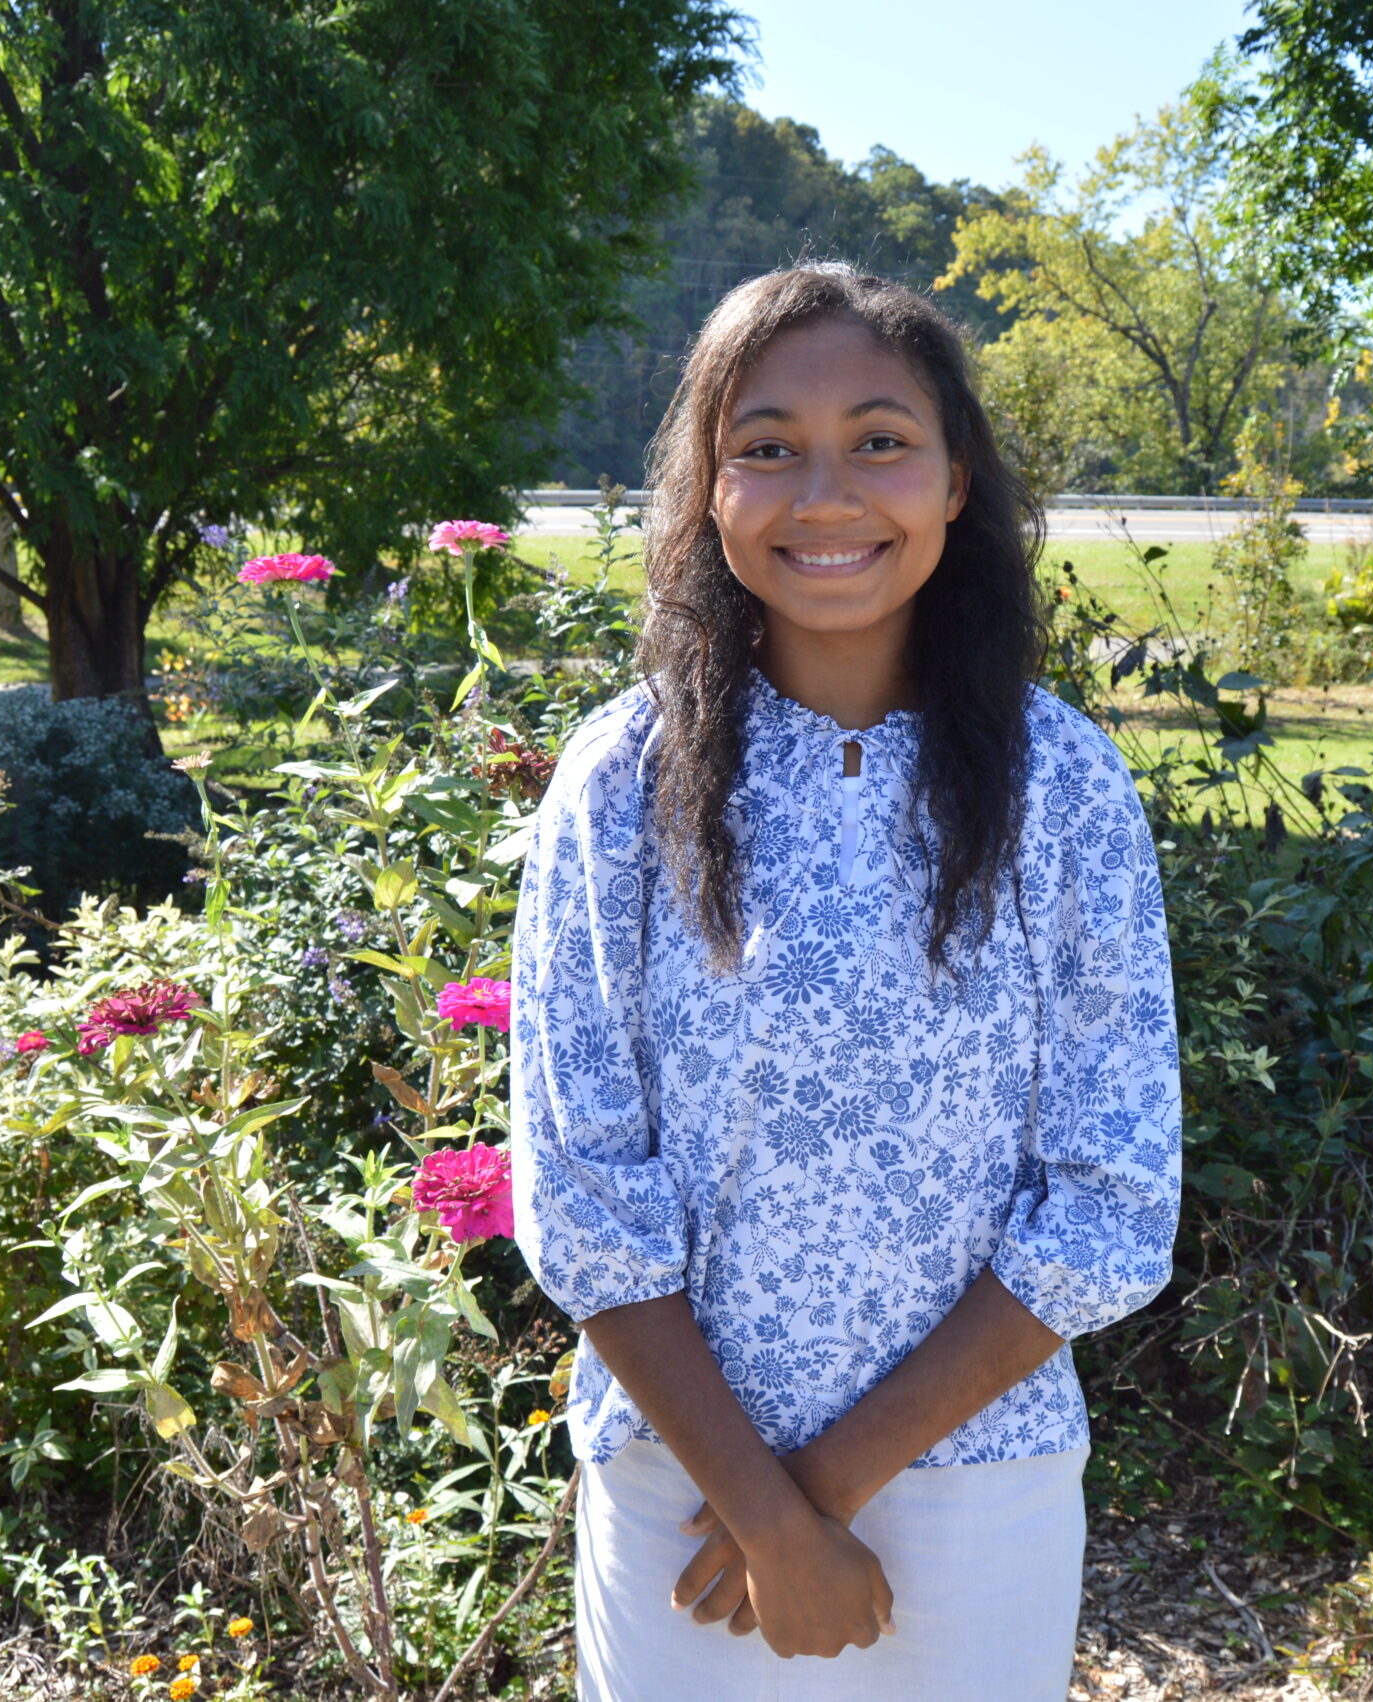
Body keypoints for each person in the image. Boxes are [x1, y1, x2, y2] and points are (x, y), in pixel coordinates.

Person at [508, 263, 1181, 1701]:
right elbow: (581, 1197)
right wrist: (759, 1510)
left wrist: (823, 1490)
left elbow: (1111, 1195)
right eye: (766, 447)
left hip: (982, 1491)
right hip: (681, 1497)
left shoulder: (1064, 784)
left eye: (880, 439)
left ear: (954, 483)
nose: (826, 494)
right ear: (704, 491)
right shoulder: (618, 788)